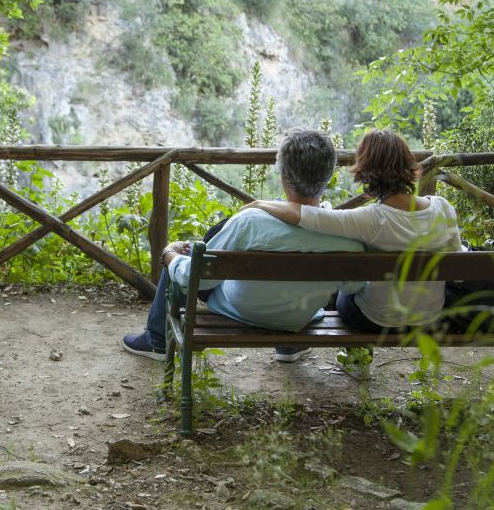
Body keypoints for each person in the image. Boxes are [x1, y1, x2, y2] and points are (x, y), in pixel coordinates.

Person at [121, 129, 365, 363]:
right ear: (330, 175)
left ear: (282, 174)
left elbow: (198, 278)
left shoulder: (248, 223)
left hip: (242, 311)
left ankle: (157, 340)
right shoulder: (344, 235)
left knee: (184, 257)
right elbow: (353, 285)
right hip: (299, 318)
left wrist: (169, 255)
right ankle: (291, 345)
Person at [242, 128, 461, 332]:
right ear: (407, 163)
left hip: (376, 319)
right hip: (429, 317)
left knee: (345, 294)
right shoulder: (442, 208)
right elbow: (457, 267)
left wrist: (259, 204)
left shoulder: (371, 219)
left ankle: (353, 354)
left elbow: (308, 216)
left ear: (366, 170)